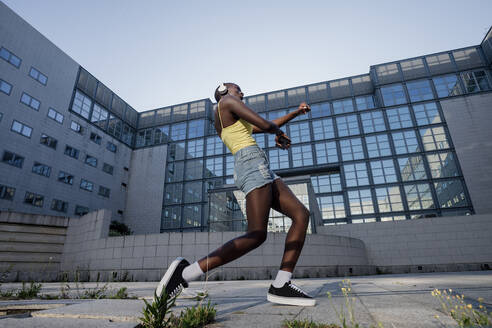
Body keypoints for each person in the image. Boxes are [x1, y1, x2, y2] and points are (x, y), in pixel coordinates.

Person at [156, 82, 315, 306]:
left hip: (260, 165)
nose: (242, 93)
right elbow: (267, 125)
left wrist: (296, 113)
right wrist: (277, 133)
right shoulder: (225, 102)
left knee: (301, 215)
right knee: (256, 234)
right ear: (224, 91)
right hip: (251, 164)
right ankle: (184, 274)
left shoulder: (235, 120)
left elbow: (267, 125)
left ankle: (281, 284)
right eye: (238, 89)